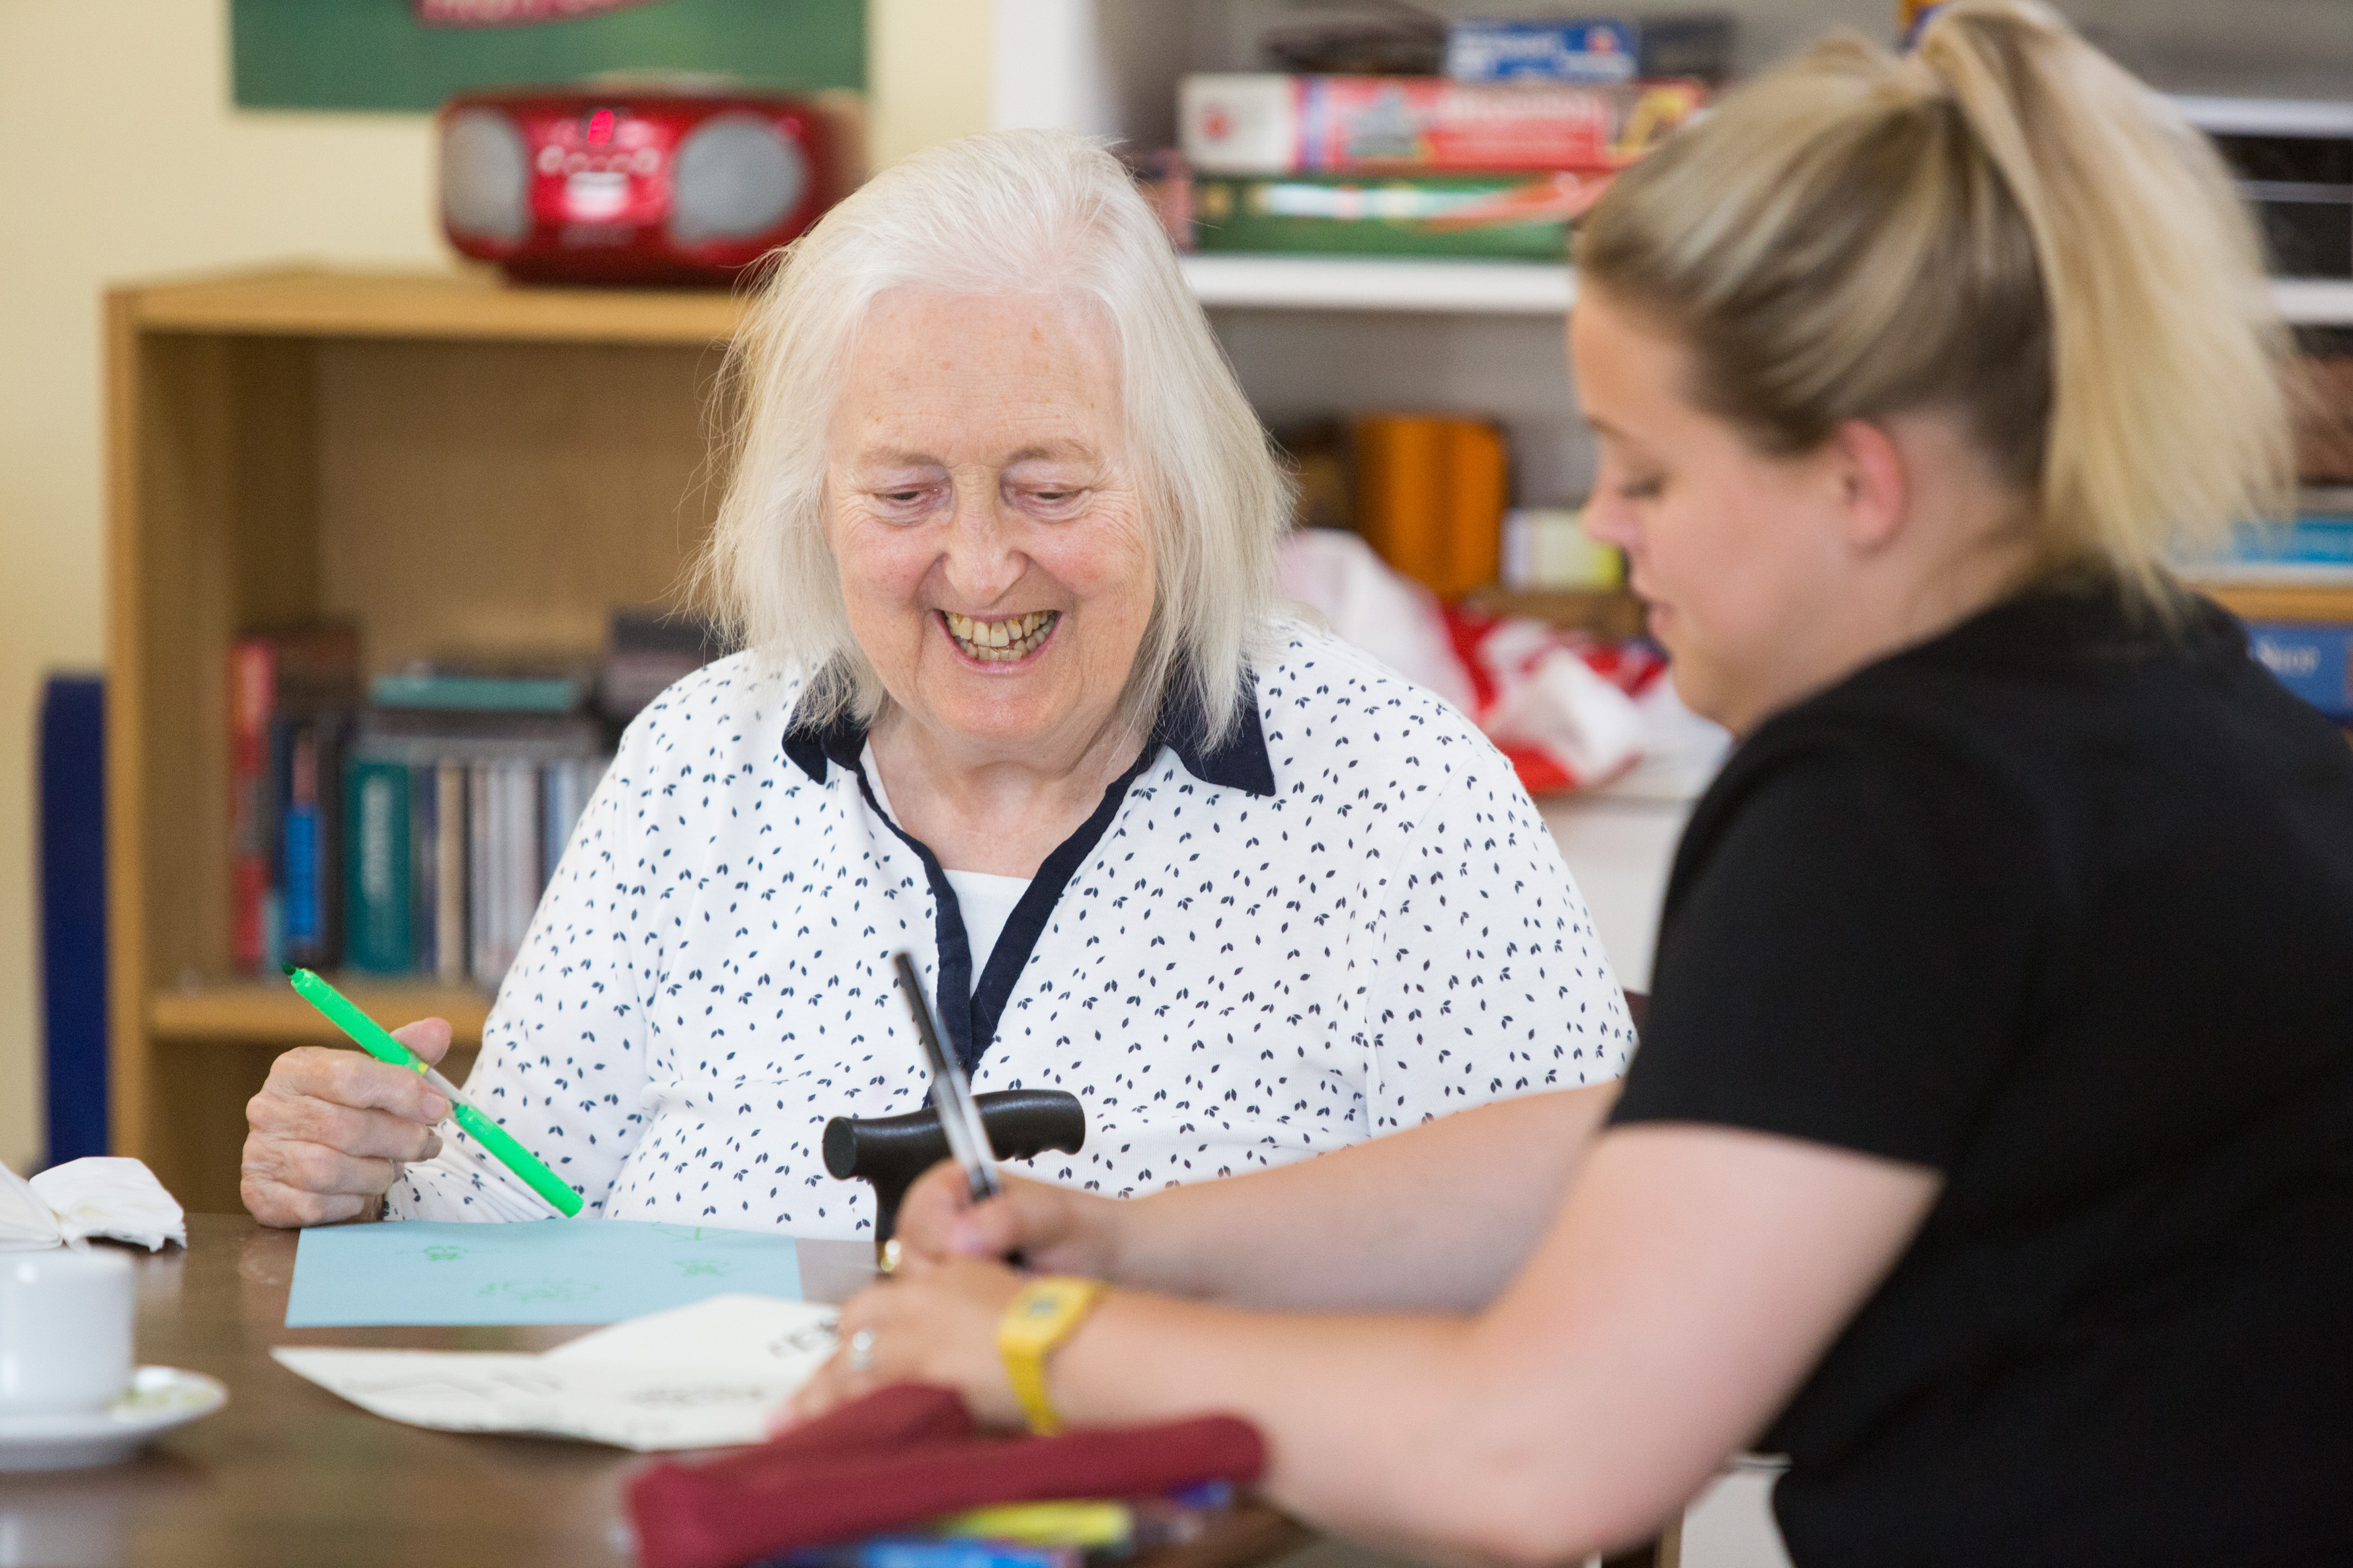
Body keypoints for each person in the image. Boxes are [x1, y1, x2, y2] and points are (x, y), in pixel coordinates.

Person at [790, 6, 2353, 1563]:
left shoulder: (1906, 804)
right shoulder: (2147, 704)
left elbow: (1537, 1456)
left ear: (1858, 481)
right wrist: (1140, 1245)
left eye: (1649, 469)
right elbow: (1673, 1145)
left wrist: (1030, 1342)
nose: (1608, 523)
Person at [238, 130, 1634, 1237]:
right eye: (904, 492)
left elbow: (1601, 1272)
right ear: (814, 505)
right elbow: (504, 1216)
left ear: (1179, 486)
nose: (978, 568)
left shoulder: (1395, 789)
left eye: (1048, 487)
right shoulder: (698, 764)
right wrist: (361, 1170)